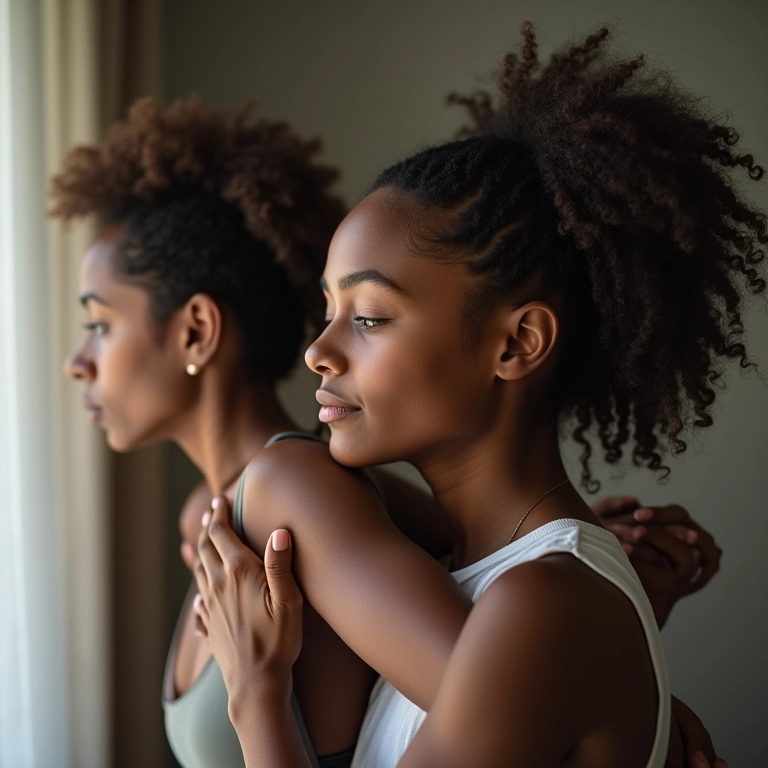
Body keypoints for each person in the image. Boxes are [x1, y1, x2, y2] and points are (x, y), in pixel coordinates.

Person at [192, 23, 762, 768]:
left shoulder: (548, 607)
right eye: (327, 311)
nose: (318, 351)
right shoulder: (503, 588)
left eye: (367, 318)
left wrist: (254, 697)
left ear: (517, 344)